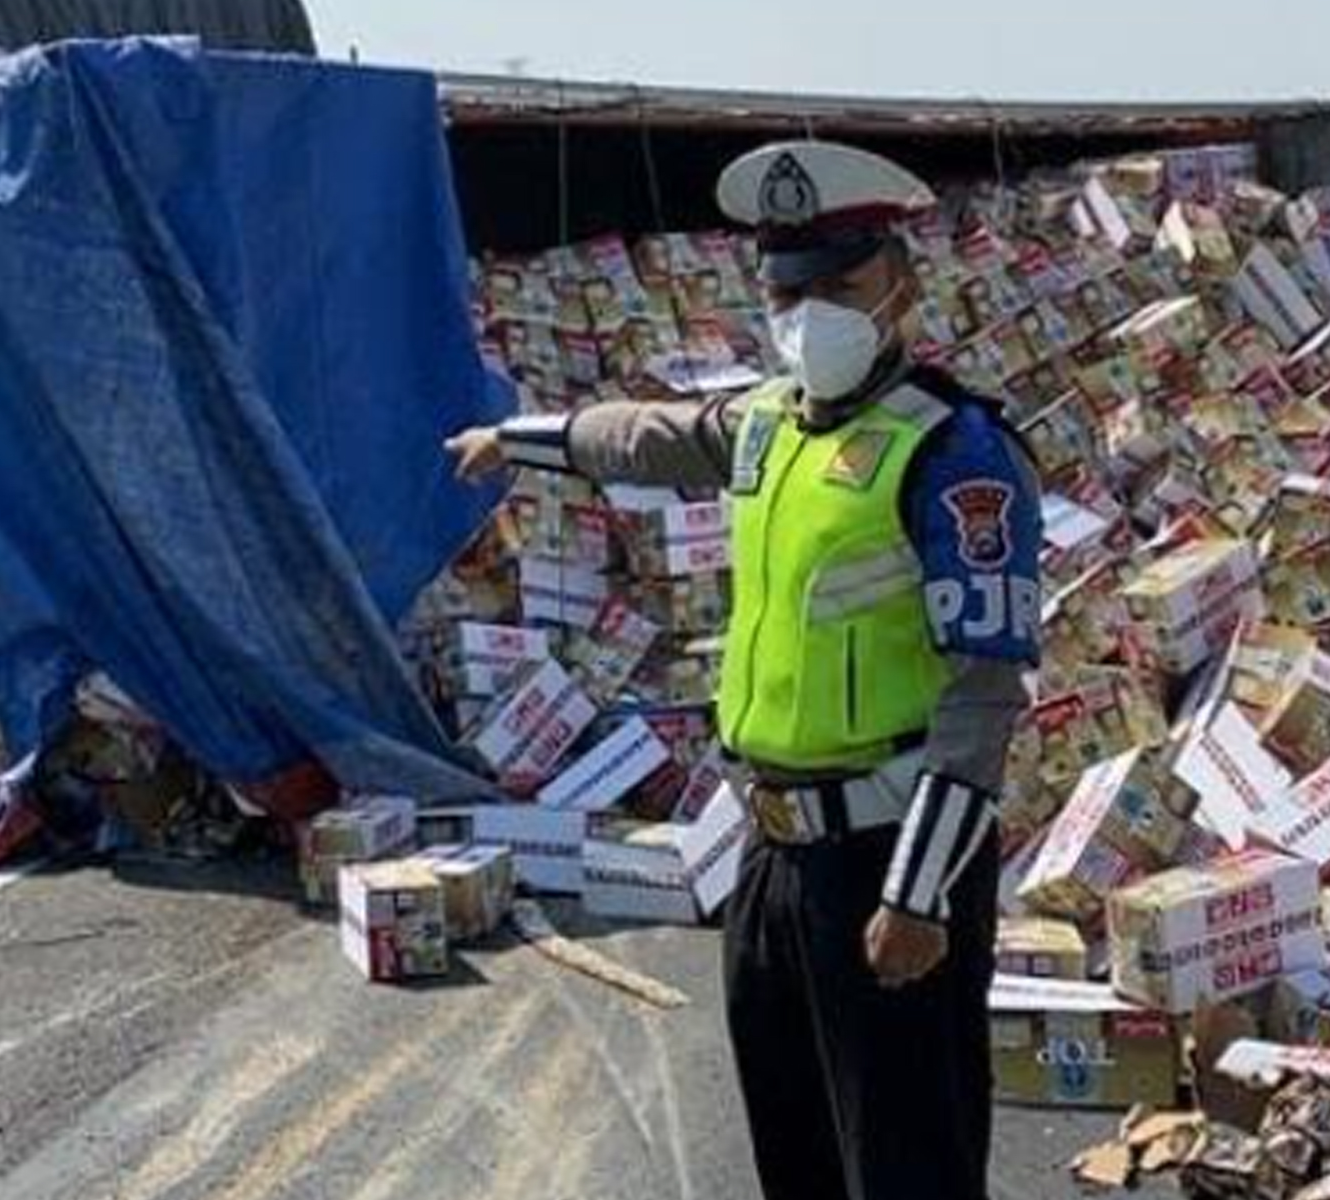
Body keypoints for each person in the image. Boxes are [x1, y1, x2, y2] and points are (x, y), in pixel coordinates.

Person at [446, 141, 1043, 1200]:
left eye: (839, 284)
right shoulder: (764, 424)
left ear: (899, 283)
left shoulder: (953, 454)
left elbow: (981, 700)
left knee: (907, 1163)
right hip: (770, 860)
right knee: (795, 1149)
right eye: (786, 288)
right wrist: (515, 436)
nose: (810, 311)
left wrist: (916, 896)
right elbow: (647, 437)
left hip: (884, 861)